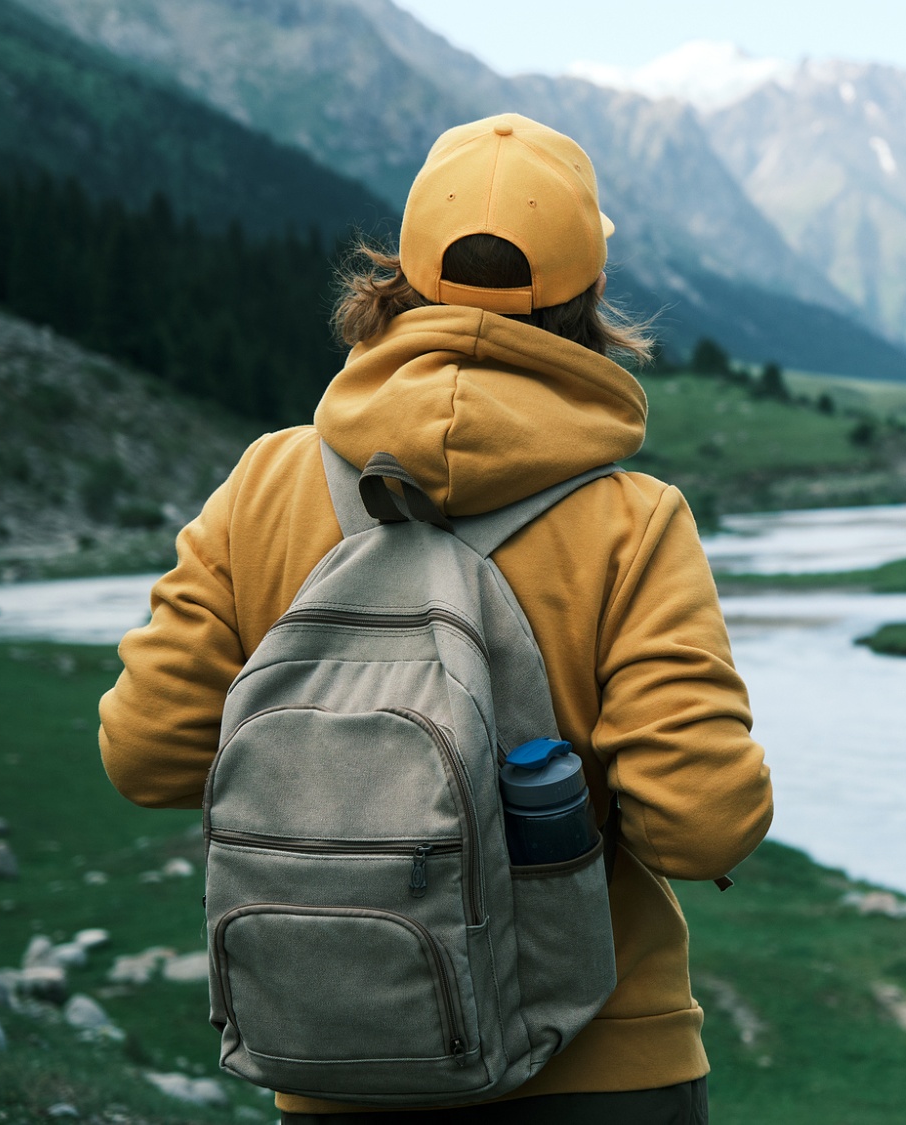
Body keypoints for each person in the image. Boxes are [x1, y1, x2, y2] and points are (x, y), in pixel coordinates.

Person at [97, 112, 773, 1124]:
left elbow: (146, 756)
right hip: (604, 1064)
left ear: (396, 275)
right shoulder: (633, 521)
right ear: (590, 294)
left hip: (343, 1053)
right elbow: (703, 826)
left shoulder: (267, 485)